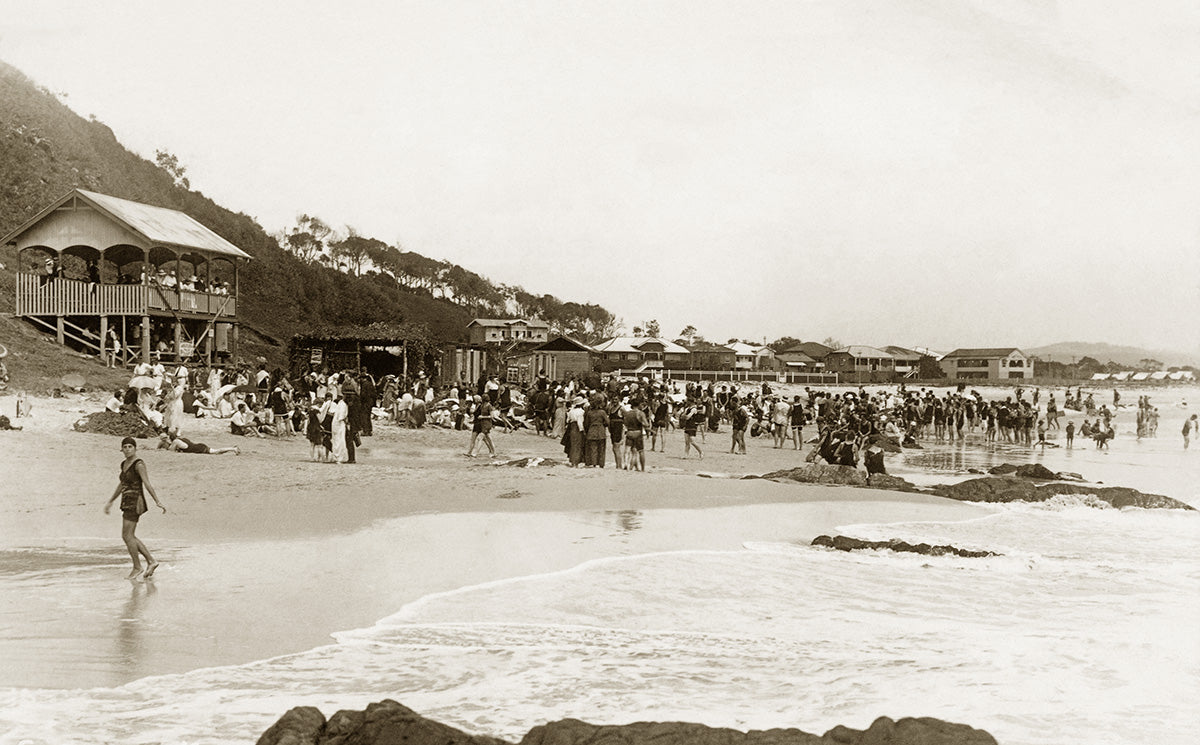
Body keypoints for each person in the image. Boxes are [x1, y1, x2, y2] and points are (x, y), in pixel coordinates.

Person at [104, 437, 166, 579]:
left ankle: (138, 567)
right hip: (126, 501)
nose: (127, 449)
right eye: (125, 447)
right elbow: (122, 484)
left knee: (127, 535)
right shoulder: (124, 464)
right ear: (122, 449)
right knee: (129, 536)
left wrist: (157, 501)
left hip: (136, 501)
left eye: (130, 447)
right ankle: (151, 561)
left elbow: (147, 483)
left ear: (135, 448)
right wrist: (111, 501)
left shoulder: (139, 464)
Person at [158, 432, 239, 455]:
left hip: (199, 449)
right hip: (199, 446)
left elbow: (171, 451)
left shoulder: (176, 441)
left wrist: (163, 444)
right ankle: (232, 449)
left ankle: (233, 449)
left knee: (217, 452)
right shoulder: (181, 439)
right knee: (217, 452)